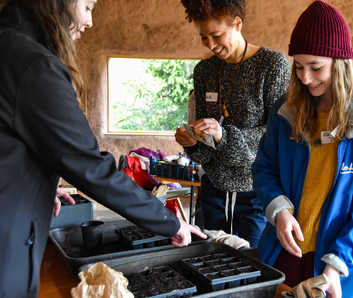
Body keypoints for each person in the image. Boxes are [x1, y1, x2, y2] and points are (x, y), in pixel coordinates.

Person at [0, 0, 206, 297]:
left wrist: (38, 181)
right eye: (87, 6)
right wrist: (171, 223)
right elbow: (92, 167)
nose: (90, 21)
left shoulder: (7, 42)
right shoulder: (34, 65)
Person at [251, 1, 353, 297]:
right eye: (298, 67)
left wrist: (338, 262)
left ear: (341, 63)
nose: (305, 78)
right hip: (284, 251)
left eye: (316, 67)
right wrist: (279, 210)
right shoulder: (285, 112)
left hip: (340, 260)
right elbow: (265, 168)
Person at [175, 0, 290, 248]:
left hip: (256, 192)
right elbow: (207, 145)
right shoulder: (205, 70)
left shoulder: (272, 66)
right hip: (213, 189)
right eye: (204, 37)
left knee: (252, 265)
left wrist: (223, 136)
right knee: (210, 261)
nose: (211, 45)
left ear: (237, 24)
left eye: (216, 35)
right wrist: (193, 142)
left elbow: (277, 134)